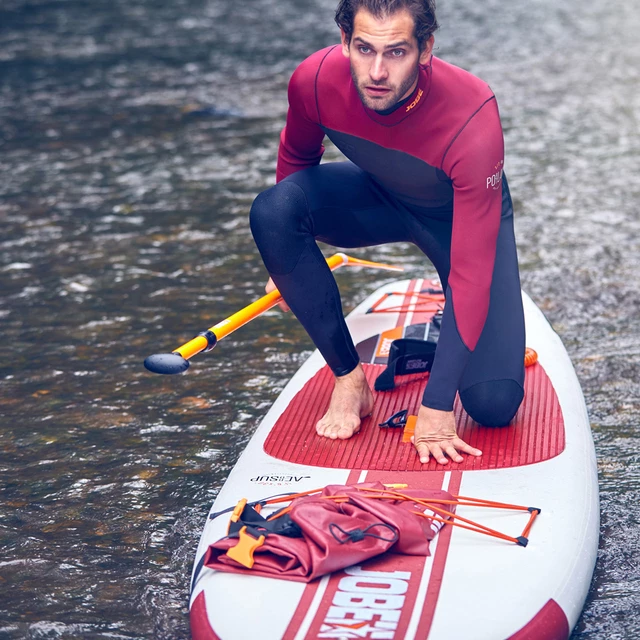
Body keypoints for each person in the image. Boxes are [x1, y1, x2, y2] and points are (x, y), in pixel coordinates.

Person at [249, 0, 526, 466]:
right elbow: (296, 161)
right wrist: (291, 260)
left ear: (426, 49)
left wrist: (436, 407)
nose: (376, 71)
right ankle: (348, 379)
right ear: (345, 42)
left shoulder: (472, 119)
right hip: (376, 198)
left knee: (494, 407)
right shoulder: (313, 80)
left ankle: (460, 350)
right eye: (364, 49)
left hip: (459, 224)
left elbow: (473, 277)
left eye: (396, 52)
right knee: (273, 213)